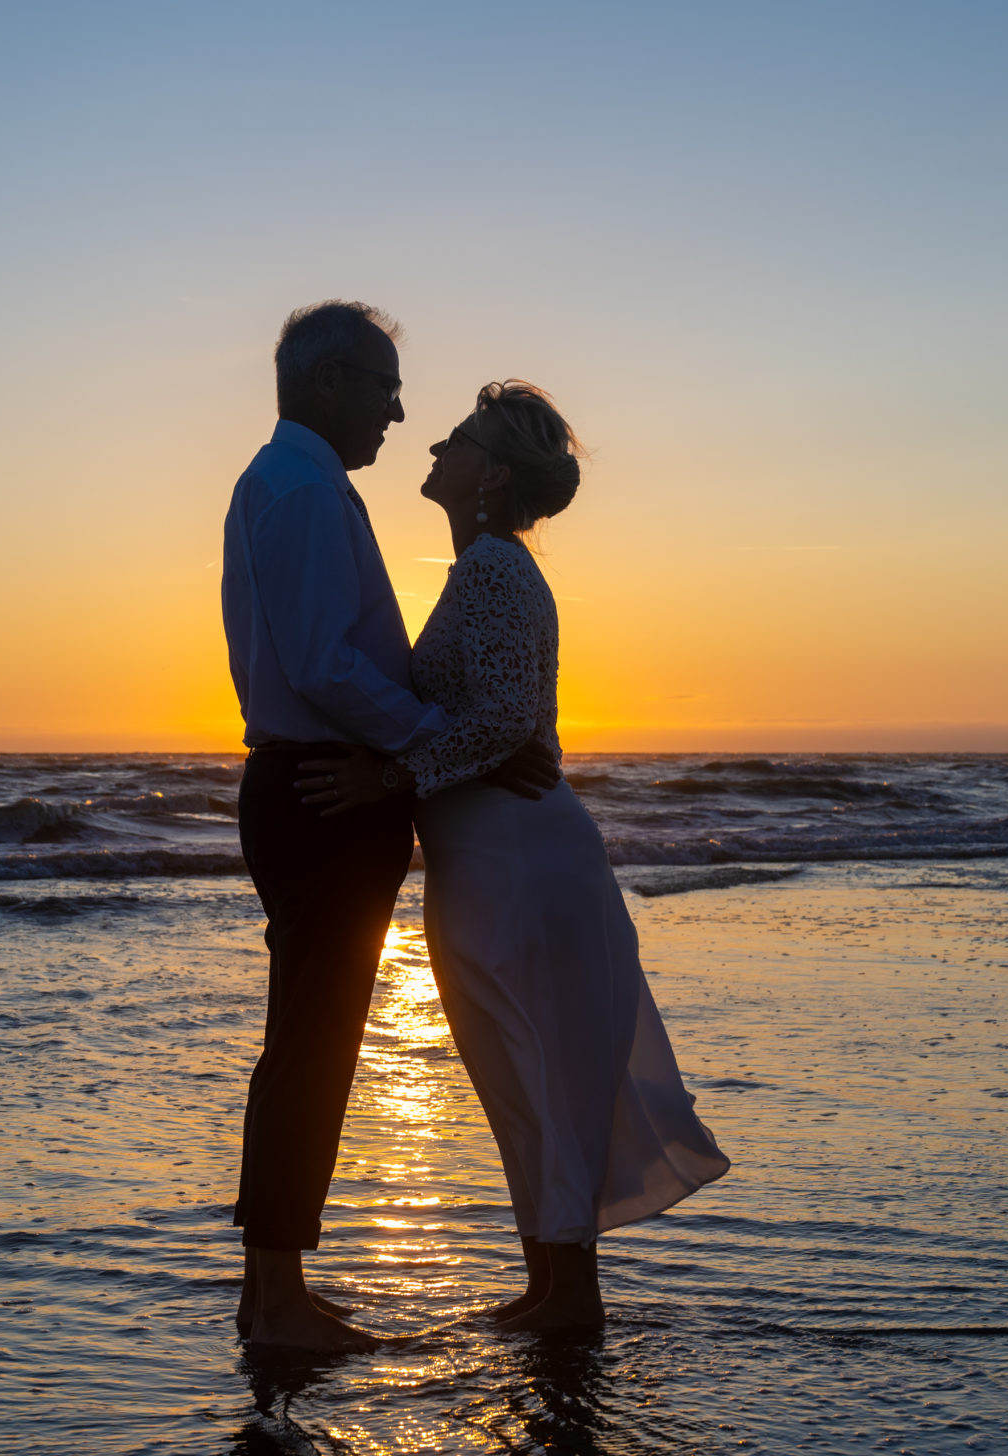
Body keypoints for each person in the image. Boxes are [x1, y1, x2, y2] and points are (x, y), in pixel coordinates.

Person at [298, 382, 730, 1332]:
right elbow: (518, 723)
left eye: (457, 437)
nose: (434, 445)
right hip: (506, 856)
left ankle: (567, 1295)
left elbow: (501, 721)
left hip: (518, 865)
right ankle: (555, 1286)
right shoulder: (488, 571)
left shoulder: (493, 569)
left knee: (535, 1066)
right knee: (523, 1068)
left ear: (489, 475)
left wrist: (389, 779)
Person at [221, 302, 557, 1351]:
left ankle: (276, 1288)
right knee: (311, 1043)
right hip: (325, 787)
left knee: (308, 1041)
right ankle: (276, 1300)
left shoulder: (293, 484)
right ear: (328, 382)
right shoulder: (304, 491)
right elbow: (325, 665)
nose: (399, 410)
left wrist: (420, 755)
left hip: (313, 780)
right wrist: (434, 748)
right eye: (384, 385)